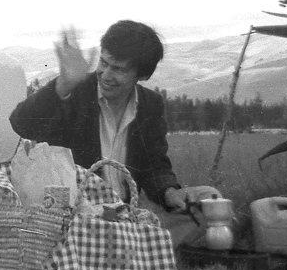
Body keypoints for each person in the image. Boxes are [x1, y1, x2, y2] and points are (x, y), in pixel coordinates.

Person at [10, 20, 194, 237]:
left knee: (206, 199)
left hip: (124, 214)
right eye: (104, 63)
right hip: (78, 217)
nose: (106, 74)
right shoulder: (76, 91)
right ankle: (133, 247)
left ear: (142, 75)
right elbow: (22, 124)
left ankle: (131, 244)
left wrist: (169, 192)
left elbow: (154, 165)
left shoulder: (150, 105)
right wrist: (64, 85)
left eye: (118, 69)